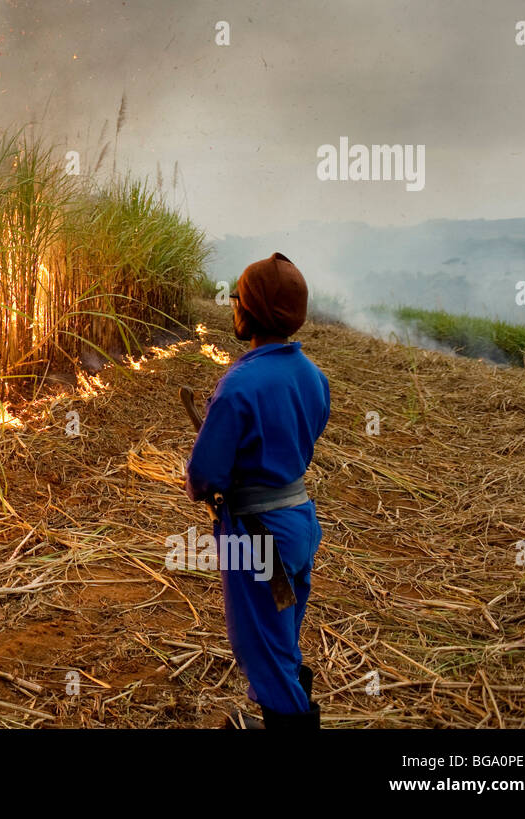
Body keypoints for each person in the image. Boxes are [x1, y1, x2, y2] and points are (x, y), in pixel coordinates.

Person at [185, 252, 329, 729]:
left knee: (260, 650)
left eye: (238, 301)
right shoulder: (312, 376)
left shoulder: (239, 385)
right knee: (281, 634)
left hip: (257, 539)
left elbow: (203, 475)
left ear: (249, 312)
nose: (233, 309)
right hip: (299, 525)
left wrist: (207, 485)